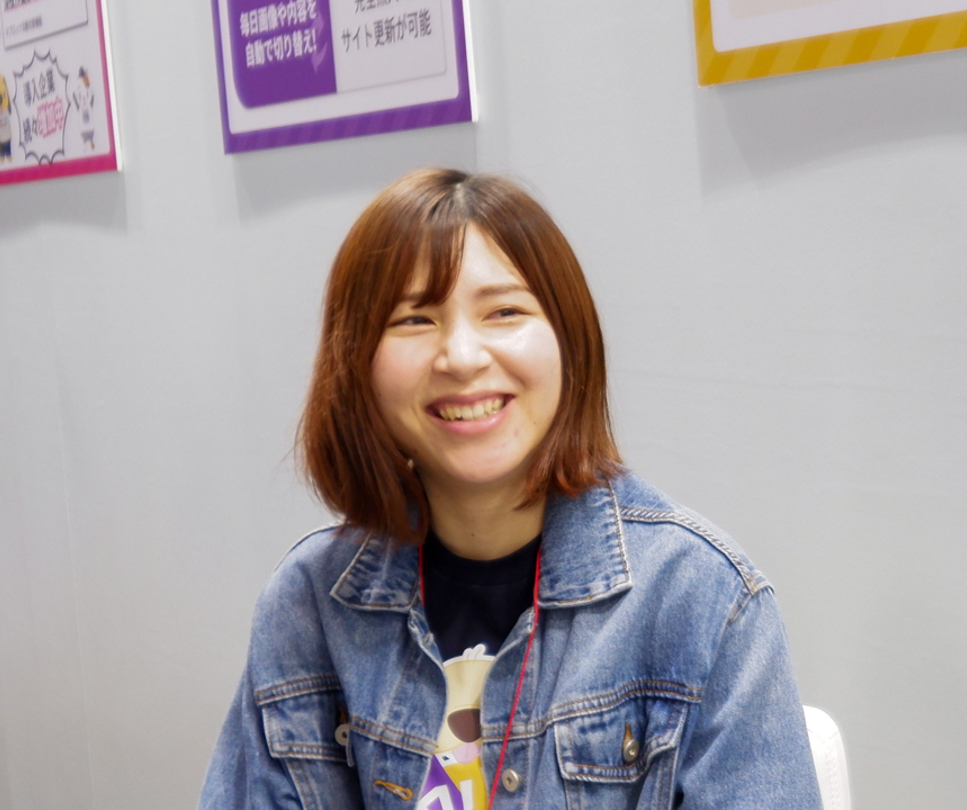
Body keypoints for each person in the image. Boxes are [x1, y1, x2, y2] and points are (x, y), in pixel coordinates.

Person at [199, 169, 823, 810]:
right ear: (356, 361)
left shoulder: (703, 601)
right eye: (415, 318)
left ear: (569, 341)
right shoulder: (310, 601)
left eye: (504, 312)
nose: (461, 356)